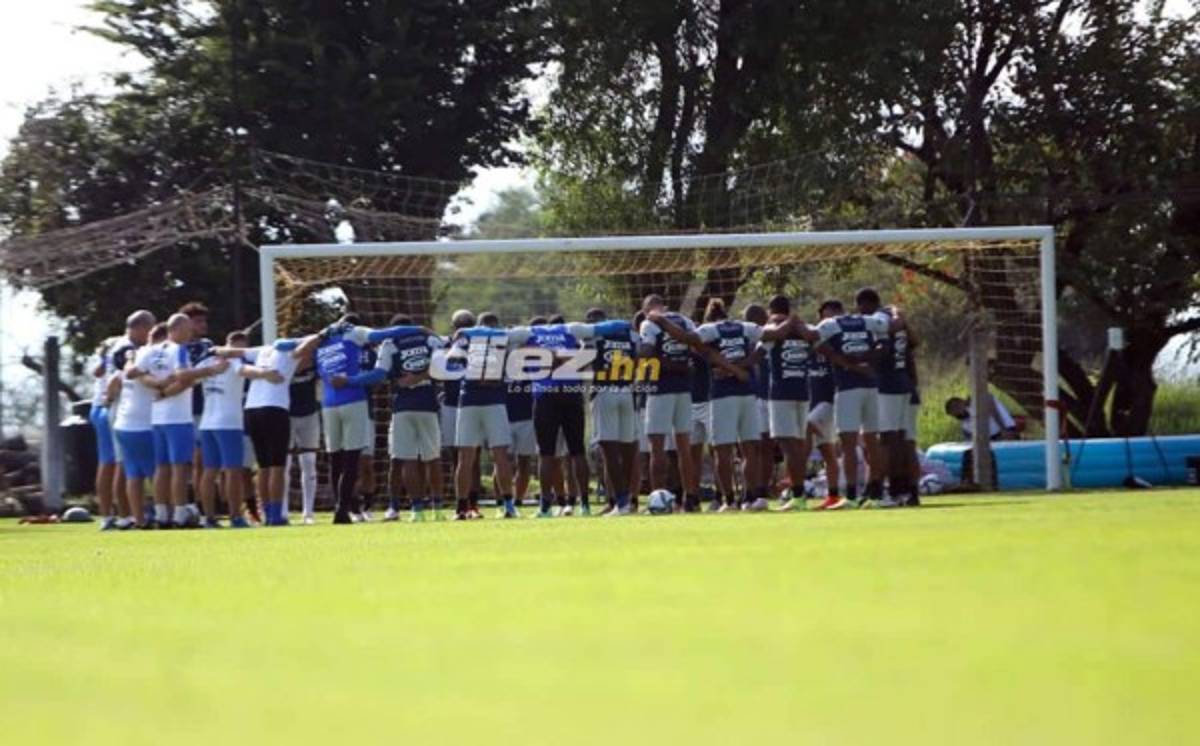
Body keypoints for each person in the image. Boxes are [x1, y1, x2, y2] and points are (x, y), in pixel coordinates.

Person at [648, 299, 790, 511]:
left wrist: (660, 320)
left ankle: (729, 500)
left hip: (722, 396)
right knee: (749, 449)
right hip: (747, 394)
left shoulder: (709, 330)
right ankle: (752, 498)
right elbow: (773, 337)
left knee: (723, 452)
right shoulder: (746, 327)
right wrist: (792, 321)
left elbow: (686, 338)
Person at [323, 314, 431, 523]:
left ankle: (365, 506)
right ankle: (349, 507)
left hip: (364, 410)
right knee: (345, 460)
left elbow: (379, 376)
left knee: (364, 462)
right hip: (346, 406)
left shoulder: (372, 352)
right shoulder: (335, 348)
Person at [214, 334, 320, 526]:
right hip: (274, 409)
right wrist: (325, 333)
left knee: (263, 467)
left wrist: (215, 350)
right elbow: (306, 346)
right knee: (276, 467)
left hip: (251, 410)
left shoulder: (262, 351)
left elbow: (232, 352)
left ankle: (267, 513)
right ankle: (275, 515)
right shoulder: (289, 353)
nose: (308, 359)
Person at [814, 287, 905, 508]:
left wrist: (846, 363)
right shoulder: (869, 322)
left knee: (849, 444)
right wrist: (867, 361)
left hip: (847, 389)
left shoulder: (829, 326)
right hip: (870, 386)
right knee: (872, 441)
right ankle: (875, 493)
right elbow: (886, 343)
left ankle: (853, 496)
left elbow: (816, 342)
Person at [355, 314, 446, 522]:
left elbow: (380, 373)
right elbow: (444, 364)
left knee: (406, 459)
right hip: (428, 405)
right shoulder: (429, 339)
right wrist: (423, 375)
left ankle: (416, 510)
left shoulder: (390, 343)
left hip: (403, 406)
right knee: (433, 458)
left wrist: (354, 381)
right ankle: (438, 509)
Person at [143, 314, 217, 528]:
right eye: (186, 330)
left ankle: (161, 513)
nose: (190, 334)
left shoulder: (152, 350)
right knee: (179, 468)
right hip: (177, 417)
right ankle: (179, 513)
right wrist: (206, 371)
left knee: (162, 467)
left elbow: (138, 374)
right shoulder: (179, 350)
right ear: (175, 330)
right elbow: (184, 376)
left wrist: (160, 387)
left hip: (157, 417)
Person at [638, 294, 702, 511]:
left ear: (647, 309)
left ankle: (657, 500)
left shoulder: (649, 323)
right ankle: (691, 498)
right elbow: (695, 342)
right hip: (684, 390)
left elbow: (647, 354)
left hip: (660, 390)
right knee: (684, 447)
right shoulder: (685, 320)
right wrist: (681, 366)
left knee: (657, 447)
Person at [758, 295, 821, 511]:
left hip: (781, 392)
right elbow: (814, 341)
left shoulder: (775, 327)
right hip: (803, 391)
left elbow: (759, 351)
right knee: (797, 445)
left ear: (771, 310)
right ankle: (797, 493)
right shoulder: (802, 327)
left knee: (789, 445)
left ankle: (798, 495)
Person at [101, 311, 156, 529]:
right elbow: (117, 379)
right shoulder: (127, 349)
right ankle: (126, 514)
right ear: (140, 328)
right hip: (121, 408)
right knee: (123, 465)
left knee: (124, 465)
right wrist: (109, 400)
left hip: (120, 409)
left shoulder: (117, 345)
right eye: (149, 330)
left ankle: (127, 514)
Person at [585, 307, 640, 516]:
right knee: (627, 450)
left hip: (604, 392)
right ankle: (626, 501)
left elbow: (585, 360)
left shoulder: (594, 336)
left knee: (609, 451)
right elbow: (641, 356)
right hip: (627, 391)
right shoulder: (630, 335)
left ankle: (622, 501)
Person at [112, 318, 165, 528]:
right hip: (142, 423)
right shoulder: (151, 357)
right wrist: (164, 386)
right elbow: (150, 381)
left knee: (133, 474)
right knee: (156, 472)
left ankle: (139, 519)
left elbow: (115, 382)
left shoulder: (132, 356)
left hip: (123, 422)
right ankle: (163, 515)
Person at [196, 330, 250, 528]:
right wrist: (266, 372)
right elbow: (247, 372)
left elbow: (190, 378)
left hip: (207, 423)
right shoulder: (235, 362)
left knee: (210, 471)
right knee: (232, 471)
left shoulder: (206, 364)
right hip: (228, 424)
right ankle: (236, 516)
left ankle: (208, 517)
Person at [876, 305, 918, 507]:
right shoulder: (898, 322)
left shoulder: (881, 321)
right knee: (905, 441)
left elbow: (895, 327)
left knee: (889, 440)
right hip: (907, 385)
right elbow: (914, 343)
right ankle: (910, 491)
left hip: (889, 387)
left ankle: (893, 490)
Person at [805, 300, 844, 510]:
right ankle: (833, 495)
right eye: (826, 316)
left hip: (829, 400)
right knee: (827, 452)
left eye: (834, 316)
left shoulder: (840, 341)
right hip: (813, 400)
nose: (830, 320)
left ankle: (797, 481)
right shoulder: (812, 338)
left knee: (805, 426)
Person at [180, 302, 214, 505]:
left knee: (203, 461)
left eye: (204, 320)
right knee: (183, 463)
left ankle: (202, 506)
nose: (203, 325)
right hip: (183, 410)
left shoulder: (208, 345)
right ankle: (183, 505)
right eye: (198, 321)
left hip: (205, 409)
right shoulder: (175, 348)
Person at [287, 359, 321, 524]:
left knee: (309, 462)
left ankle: (308, 512)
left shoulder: (316, 364)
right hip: (286, 414)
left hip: (310, 414)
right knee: (284, 464)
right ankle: (282, 510)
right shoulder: (284, 362)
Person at [945, 395, 1018, 440]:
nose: (959, 416)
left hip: (1005, 431)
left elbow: (992, 408)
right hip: (990, 439)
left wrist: (1003, 429)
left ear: (960, 404)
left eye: (957, 413)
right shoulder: (965, 423)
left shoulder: (979, 399)